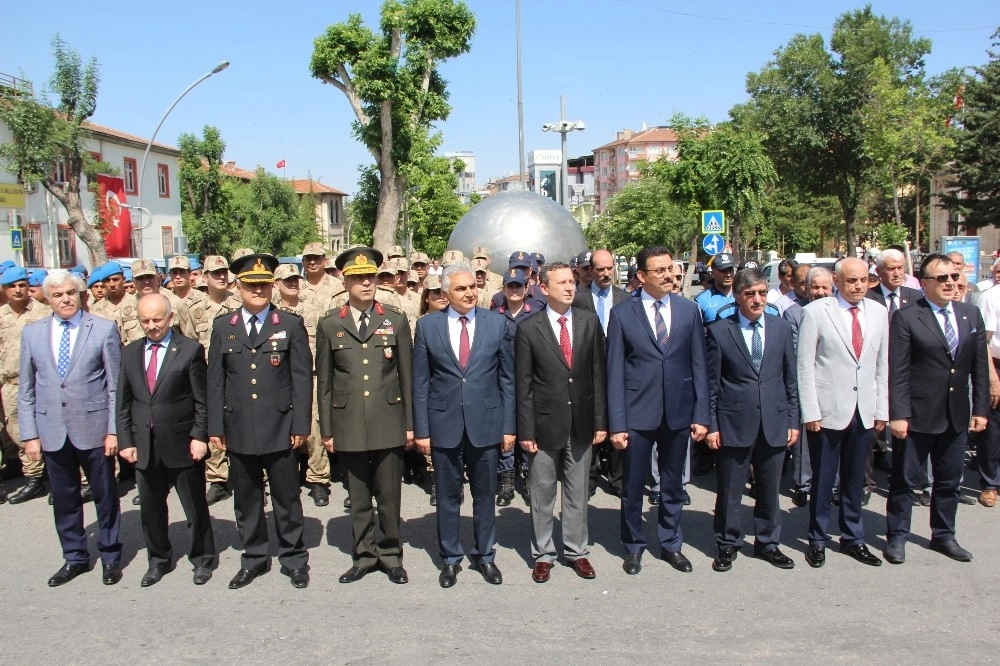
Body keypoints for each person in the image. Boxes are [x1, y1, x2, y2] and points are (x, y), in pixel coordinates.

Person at [207, 254, 312, 589]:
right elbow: (215, 381)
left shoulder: (290, 324)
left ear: (272, 286)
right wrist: (215, 427)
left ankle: (294, 558)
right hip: (238, 427)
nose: (258, 290)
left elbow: (301, 379)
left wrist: (300, 425)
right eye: (251, 285)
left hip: (280, 426)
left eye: (264, 284)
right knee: (247, 498)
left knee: (286, 497)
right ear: (238, 287)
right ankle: (254, 558)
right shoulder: (224, 327)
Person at [606, 246, 710, 575]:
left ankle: (670, 543)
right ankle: (633, 545)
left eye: (671, 269)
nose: (669, 276)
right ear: (641, 276)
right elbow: (614, 372)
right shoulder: (623, 314)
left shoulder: (688, 310)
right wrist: (617, 423)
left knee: (673, 484)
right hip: (637, 414)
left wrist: (701, 415)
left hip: (678, 413)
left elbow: (699, 365)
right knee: (633, 485)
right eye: (660, 271)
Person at [412, 262, 516, 588]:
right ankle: (450, 558)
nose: (469, 293)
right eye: (460, 288)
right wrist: (423, 430)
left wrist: (509, 426)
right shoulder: (428, 327)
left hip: (486, 423)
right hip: (444, 424)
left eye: (472, 286)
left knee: (485, 495)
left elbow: (507, 380)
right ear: (445, 293)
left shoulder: (497, 324)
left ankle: (485, 556)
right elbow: (421, 383)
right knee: (447, 495)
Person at [18, 270, 123, 586]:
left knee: (105, 497)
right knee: (64, 499)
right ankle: (75, 557)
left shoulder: (103, 329)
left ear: (81, 295)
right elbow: (26, 388)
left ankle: (110, 557)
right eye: (58, 294)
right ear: (48, 299)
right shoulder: (33, 333)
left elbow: (115, 386)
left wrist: (113, 430)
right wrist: (30, 434)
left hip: (93, 428)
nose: (65, 299)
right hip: (52, 430)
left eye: (70, 293)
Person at [316, 247, 413, 585]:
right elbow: (325, 383)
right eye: (358, 278)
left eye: (370, 277)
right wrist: (326, 429)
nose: (366, 283)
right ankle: (363, 556)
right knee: (358, 498)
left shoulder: (395, 320)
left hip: (388, 419)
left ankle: (390, 555)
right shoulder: (330, 324)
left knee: (389, 495)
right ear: (345, 282)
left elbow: (407, 377)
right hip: (349, 423)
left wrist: (410, 425)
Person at [885, 254, 989, 564]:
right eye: (942, 278)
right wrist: (899, 414)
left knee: (949, 481)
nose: (950, 283)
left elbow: (979, 368)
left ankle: (944, 535)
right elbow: (898, 371)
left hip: (955, 414)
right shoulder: (907, 317)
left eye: (954, 277)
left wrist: (980, 409)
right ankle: (897, 536)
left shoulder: (970, 314)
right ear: (925, 282)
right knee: (905, 480)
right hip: (917, 416)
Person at [116, 293, 216, 586]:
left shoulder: (189, 350)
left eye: (157, 319)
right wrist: (126, 440)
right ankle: (159, 560)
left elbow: (202, 400)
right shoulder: (130, 353)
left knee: (194, 507)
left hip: (182, 442)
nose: (151, 326)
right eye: (145, 320)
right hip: (144, 444)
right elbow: (123, 402)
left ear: (170, 318)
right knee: (151, 510)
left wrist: (200, 435)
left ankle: (203, 559)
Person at [516, 261, 607, 582]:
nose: (570, 287)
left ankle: (577, 550)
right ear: (544, 288)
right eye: (562, 283)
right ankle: (543, 553)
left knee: (577, 492)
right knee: (542, 494)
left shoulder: (589, 322)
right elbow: (523, 385)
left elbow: (598, 375)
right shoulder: (529, 328)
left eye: (572, 282)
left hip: (581, 423)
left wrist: (600, 422)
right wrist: (525, 430)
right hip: (543, 426)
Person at [705, 268, 799, 572]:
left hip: (774, 421)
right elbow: (712, 385)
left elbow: (790, 380)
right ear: (738, 297)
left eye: (762, 293)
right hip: (733, 423)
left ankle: (768, 543)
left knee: (770, 489)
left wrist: (793, 421)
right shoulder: (720, 331)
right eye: (750, 294)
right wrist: (713, 426)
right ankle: (727, 543)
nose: (757, 300)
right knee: (730, 490)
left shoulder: (781, 329)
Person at [797, 258, 887, 568]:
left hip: (864, 409)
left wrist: (881, 408)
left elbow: (881, 365)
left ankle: (853, 538)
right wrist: (810, 410)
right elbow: (805, 365)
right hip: (827, 410)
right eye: (851, 280)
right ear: (837, 280)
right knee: (823, 479)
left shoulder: (879, 313)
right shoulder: (815, 313)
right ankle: (818, 539)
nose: (859, 285)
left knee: (854, 480)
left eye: (863, 280)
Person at [573, 248, 628, 497]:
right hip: (588, 373)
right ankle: (590, 479)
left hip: (619, 374)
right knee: (590, 426)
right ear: (590, 270)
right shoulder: (578, 299)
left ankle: (618, 479)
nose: (606, 273)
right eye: (600, 269)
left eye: (609, 268)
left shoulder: (626, 299)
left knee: (617, 424)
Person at [0, 267, 52, 504]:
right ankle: (30, 470)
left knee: (42, 427)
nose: (18, 290)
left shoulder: (44, 313)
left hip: (37, 380)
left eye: (22, 284)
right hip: (9, 383)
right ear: (5, 290)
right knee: (16, 430)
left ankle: (38, 477)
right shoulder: (2, 316)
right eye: (12, 286)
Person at [492, 268, 540, 506]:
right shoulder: (494, 315)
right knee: (506, 429)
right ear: (504, 288)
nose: (514, 290)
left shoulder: (536, 313)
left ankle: (530, 476)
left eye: (518, 286)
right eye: (510, 286)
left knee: (529, 429)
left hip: (531, 380)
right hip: (503, 380)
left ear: (526, 288)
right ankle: (507, 479)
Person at [695, 253, 736, 324]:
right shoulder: (701, 300)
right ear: (713, 272)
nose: (728, 275)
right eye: (723, 270)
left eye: (730, 270)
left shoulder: (744, 294)